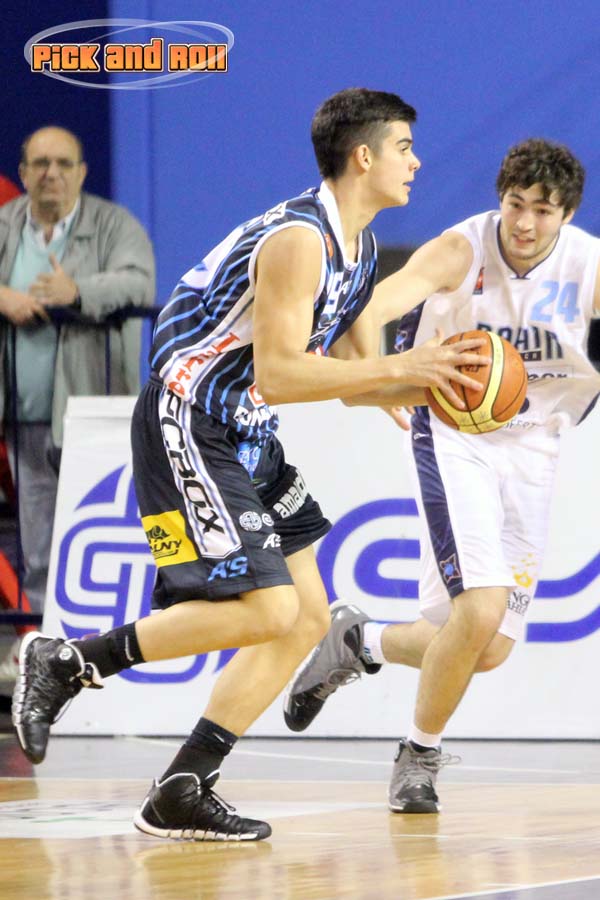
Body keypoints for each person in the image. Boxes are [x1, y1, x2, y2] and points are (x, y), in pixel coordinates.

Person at [12, 88, 488, 842]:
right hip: (187, 417)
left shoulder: (360, 248)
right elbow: (283, 373)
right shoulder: (299, 240)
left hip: (245, 430)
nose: (416, 162)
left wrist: (446, 384)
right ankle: (67, 660)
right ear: (363, 156)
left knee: (306, 618)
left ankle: (182, 786)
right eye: (404, 147)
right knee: (269, 610)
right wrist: (403, 366)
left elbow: (354, 383)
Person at [284, 137, 600, 813]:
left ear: (568, 214)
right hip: (455, 434)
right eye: (515, 204)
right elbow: (367, 309)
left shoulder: (588, 264)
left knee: (489, 646)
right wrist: (379, 381)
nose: (524, 223)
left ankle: (358, 640)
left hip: (535, 447)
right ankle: (418, 758)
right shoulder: (461, 249)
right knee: (479, 609)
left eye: (542, 211)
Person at [0, 126, 155, 613]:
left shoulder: (114, 224)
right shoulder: (5, 223)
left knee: (103, 525)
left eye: (64, 163)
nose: (52, 173)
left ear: (82, 172)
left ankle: (108, 628)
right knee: (37, 540)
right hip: (23, 414)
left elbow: (137, 282)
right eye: (40, 163)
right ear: (23, 173)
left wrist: (79, 292)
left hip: (92, 410)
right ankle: (42, 634)